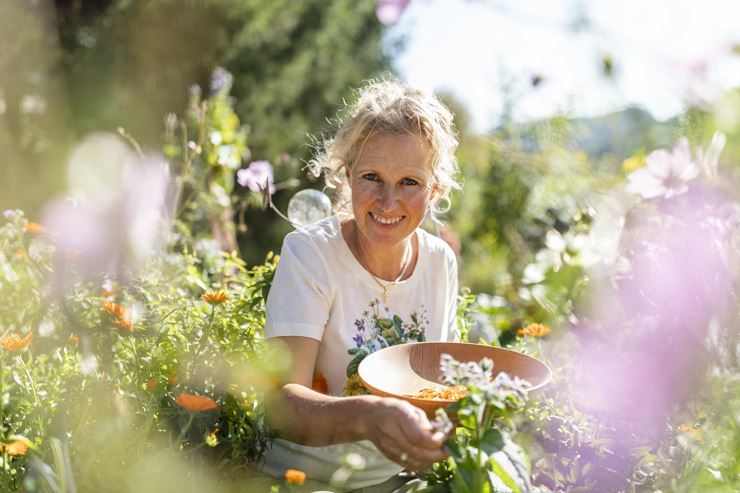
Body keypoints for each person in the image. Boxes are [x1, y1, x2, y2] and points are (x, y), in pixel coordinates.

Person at [261, 79, 461, 491]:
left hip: (397, 481)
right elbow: (280, 405)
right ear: (346, 178)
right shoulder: (310, 254)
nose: (388, 203)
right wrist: (370, 417)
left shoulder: (441, 263)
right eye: (372, 177)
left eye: (410, 182)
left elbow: (446, 391)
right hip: (303, 479)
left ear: (435, 189)